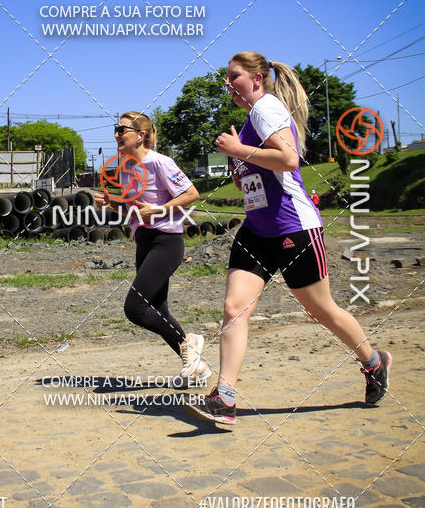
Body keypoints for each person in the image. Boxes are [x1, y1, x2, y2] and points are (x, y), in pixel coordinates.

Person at [183, 52, 391, 429]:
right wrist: (238, 165)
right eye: (227, 78)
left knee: (321, 311)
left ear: (257, 79)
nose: (228, 84)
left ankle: (373, 361)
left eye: (235, 77)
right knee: (234, 308)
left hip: (292, 227)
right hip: (257, 229)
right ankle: (225, 396)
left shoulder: (266, 108)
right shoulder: (250, 119)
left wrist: (238, 151)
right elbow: (252, 180)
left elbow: (289, 160)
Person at [95, 112, 210, 384]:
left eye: (121, 129)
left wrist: (159, 209)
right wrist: (111, 205)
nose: (116, 134)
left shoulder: (160, 162)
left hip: (166, 241)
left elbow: (192, 194)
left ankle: (189, 341)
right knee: (159, 311)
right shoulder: (126, 166)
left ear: (141, 135)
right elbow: (132, 208)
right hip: (143, 240)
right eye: (116, 129)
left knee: (135, 308)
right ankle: (198, 369)